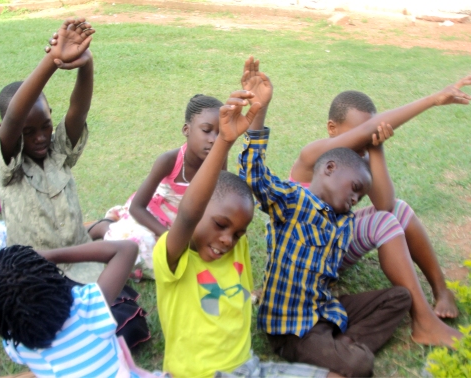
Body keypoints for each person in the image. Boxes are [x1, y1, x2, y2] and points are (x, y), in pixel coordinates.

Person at [242, 56, 469, 347]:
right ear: (332, 128)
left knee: (399, 210)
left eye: (370, 133)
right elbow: (371, 133)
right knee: (386, 221)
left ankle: (441, 289)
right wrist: (434, 99)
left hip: (333, 247)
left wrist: (377, 148)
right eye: (362, 132)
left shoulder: (359, 160)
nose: (365, 138)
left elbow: (386, 204)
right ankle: (424, 322)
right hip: (304, 252)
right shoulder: (316, 156)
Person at [153, 90, 333, 378]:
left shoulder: (236, 247)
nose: (228, 239)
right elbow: (191, 210)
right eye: (220, 225)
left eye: (238, 233)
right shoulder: (174, 258)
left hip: (249, 368)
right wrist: (223, 140)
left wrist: (258, 109)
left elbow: (238, 184)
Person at [239, 135, 412, 375]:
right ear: (330, 169)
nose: (355, 200)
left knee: (401, 297)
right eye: (355, 189)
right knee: (360, 365)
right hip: (293, 329)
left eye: (359, 198)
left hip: (324, 309)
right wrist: (259, 113)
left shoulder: (343, 222)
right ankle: (342, 351)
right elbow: (253, 175)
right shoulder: (293, 202)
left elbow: (383, 207)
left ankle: (342, 345)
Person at [0, 240, 166, 377]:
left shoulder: (16, 344)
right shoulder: (85, 308)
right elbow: (126, 249)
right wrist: (52, 255)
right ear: (52, 279)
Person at [89, 94, 226, 280]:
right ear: (187, 129)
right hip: (152, 216)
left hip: (186, 222)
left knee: (198, 258)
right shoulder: (169, 160)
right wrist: (168, 237)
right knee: (138, 247)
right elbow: (138, 207)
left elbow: (218, 202)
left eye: (220, 133)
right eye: (207, 130)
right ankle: (104, 228)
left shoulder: (219, 161)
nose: (213, 139)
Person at [0, 17, 94, 252]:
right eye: (27, 132)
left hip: (79, 263)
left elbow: (78, 111)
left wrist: (86, 65)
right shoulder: (7, 169)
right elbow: (15, 117)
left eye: (46, 125)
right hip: (33, 272)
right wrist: (52, 60)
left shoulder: (58, 153)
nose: (40, 137)